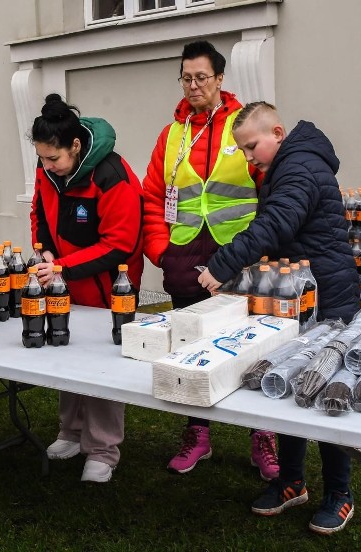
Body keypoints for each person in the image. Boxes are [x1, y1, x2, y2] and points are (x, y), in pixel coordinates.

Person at [197, 101, 359, 535]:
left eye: (252, 147)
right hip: (299, 292)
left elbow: (274, 224)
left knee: (325, 395)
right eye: (244, 152)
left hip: (327, 295)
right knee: (286, 383)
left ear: (278, 133)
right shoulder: (288, 164)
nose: (249, 159)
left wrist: (222, 265)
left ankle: (339, 494)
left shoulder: (299, 167)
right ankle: (292, 482)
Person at [141, 40, 277, 480]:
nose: (193, 84)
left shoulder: (244, 125)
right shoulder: (171, 133)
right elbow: (152, 197)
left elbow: (269, 188)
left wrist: (263, 251)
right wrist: (161, 251)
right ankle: (198, 434)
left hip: (239, 255)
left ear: (220, 79)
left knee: (255, 347)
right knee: (189, 347)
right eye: (186, 77)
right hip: (183, 254)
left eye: (202, 76)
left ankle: (263, 439)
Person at [30, 93, 144, 483]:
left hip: (111, 289)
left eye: (54, 159)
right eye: (42, 159)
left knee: (101, 366)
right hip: (65, 281)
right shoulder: (48, 169)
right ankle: (71, 432)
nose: (47, 167)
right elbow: (39, 212)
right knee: (66, 352)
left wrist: (63, 266)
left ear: (75, 147)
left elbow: (120, 244)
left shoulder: (114, 175)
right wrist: (43, 248)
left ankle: (103, 448)